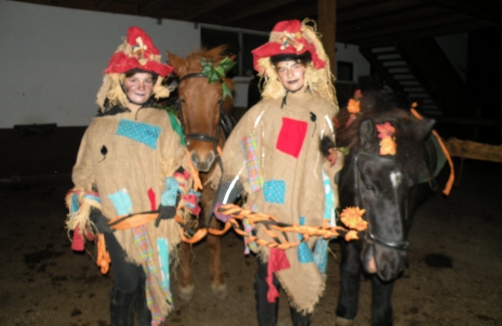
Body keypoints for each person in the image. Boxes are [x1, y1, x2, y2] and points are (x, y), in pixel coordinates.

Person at [211, 19, 344, 326]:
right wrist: (224, 197)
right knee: (266, 274)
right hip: (269, 206)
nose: (289, 75)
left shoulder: (326, 112)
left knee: (302, 271)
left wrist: (337, 166)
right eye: (282, 69)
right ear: (275, 72)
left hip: (307, 207)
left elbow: (336, 161)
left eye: (294, 67)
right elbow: (239, 153)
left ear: (307, 67)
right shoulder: (263, 112)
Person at [65, 26, 196, 326]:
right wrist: (93, 211)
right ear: (120, 83)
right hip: (116, 220)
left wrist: (171, 196)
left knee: (151, 283)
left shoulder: (163, 120)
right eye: (134, 80)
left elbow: (179, 165)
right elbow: (83, 175)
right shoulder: (100, 126)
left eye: (147, 81)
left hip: (155, 220)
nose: (141, 86)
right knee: (126, 282)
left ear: (155, 84)